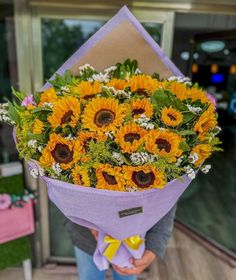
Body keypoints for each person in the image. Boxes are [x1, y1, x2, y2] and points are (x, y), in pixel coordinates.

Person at [65, 204, 176, 280]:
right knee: (90, 276)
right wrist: (85, 218)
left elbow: (167, 195)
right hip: (86, 237)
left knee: (127, 275)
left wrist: (156, 242)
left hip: (132, 244)